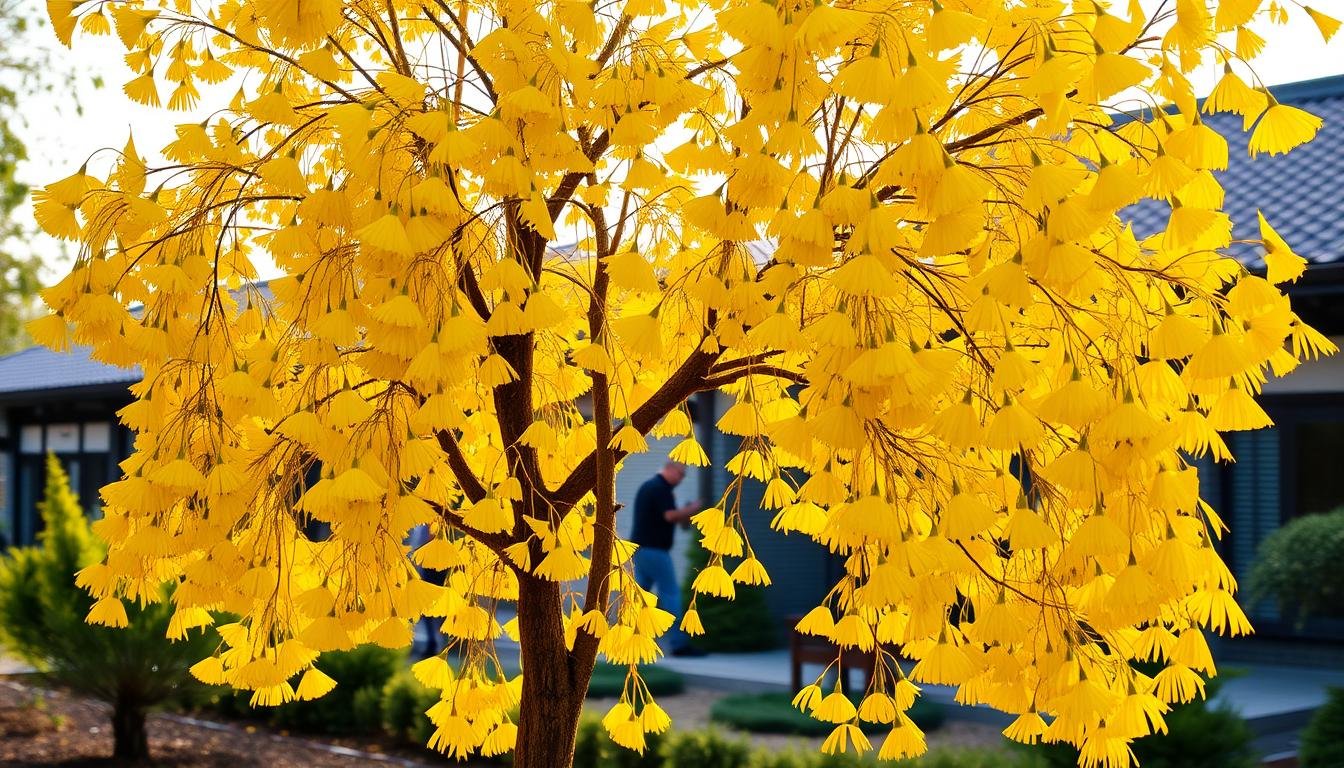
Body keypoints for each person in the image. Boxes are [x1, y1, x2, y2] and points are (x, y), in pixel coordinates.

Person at [630, 461, 707, 657]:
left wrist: (686, 516)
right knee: (671, 595)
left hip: (642, 551)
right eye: (681, 474)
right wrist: (695, 508)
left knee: (642, 599)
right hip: (655, 551)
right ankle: (679, 644)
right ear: (670, 469)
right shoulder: (659, 488)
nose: (681, 479)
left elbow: (673, 519)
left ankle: (634, 640)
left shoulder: (652, 487)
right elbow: (670, 516)